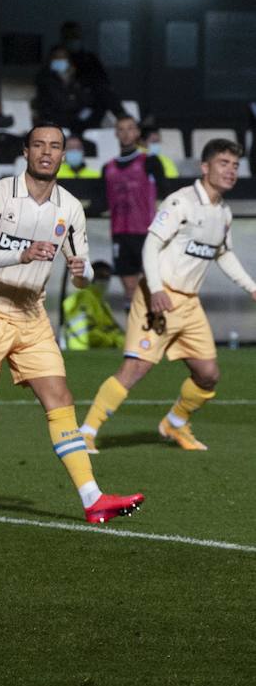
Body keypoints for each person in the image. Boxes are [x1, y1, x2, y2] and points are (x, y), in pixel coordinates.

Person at [0, 123, 144, 525]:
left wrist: (82, 273)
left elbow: (82, 274)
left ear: (63, 155)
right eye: (39, 145)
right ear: (26, 152)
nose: (47, 152)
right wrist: (22, 254)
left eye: (55, 146)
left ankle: (93, 499)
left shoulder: (70, 207)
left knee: (60, 398)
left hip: (32, 314)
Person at [80, 139, 256, 453]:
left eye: (235, 165)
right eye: (223, 163)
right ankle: (86, 432)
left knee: (208, 374)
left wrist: (251, 286)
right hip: (158, 296)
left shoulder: (223, 212)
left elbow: (223, 254)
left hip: (189, 303)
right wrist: (156, 289)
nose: (231, 171)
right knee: (136, 368)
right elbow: (151, 245)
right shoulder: (180, 203)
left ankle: (175, 423)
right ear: (205, 167)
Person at [102, 115, 168, 303]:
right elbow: (102, 202)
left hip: (146, 233)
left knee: (151, 287)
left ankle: (152, 321)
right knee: (130, 291)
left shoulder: (150, 162)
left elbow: (165, 193)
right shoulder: (108, 168)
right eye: (121, 129)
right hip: (120, 234)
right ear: (116, 133)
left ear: (137, 132)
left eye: (130, 128)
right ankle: (132, 321)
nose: (126, 133)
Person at [33, 45, 114, 136]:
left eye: (63, 57)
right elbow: (62, 102)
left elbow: (87, 99)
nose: (60, 60)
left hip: (77, 119)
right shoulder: (45, 78)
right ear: (51, 59)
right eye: (57, 57)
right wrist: (67, 83)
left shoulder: (77, 77)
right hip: (56, 118)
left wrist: (71, 80)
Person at [63, 261, 125, 350]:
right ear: (91, 277)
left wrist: (123, 341)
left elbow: (113, 329)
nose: (104, 280)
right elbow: (88, 333)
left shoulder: (102, 303)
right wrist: (114, 341)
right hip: (82, 351)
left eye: (107, 277)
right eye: (100, 276)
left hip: (97, 351)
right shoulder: (84, 297)